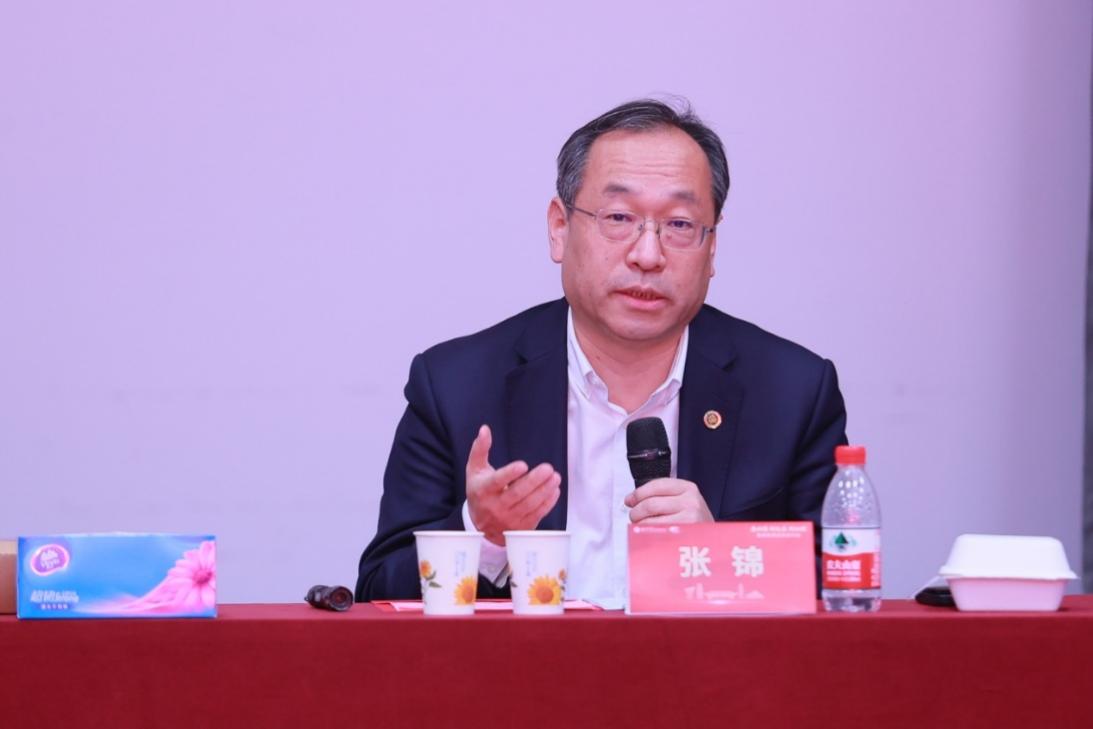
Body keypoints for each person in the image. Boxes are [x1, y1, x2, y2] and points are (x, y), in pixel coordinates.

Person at [356, 99, 847, 603]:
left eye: (680, 225)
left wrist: (720, 557)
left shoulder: (792, 392)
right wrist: (482, 537)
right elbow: (377, 590)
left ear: (712, 246)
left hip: (703, 659)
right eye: (618, 217)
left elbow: (843, 588)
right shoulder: (456, 386)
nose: (648, 255)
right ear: (559, 228)